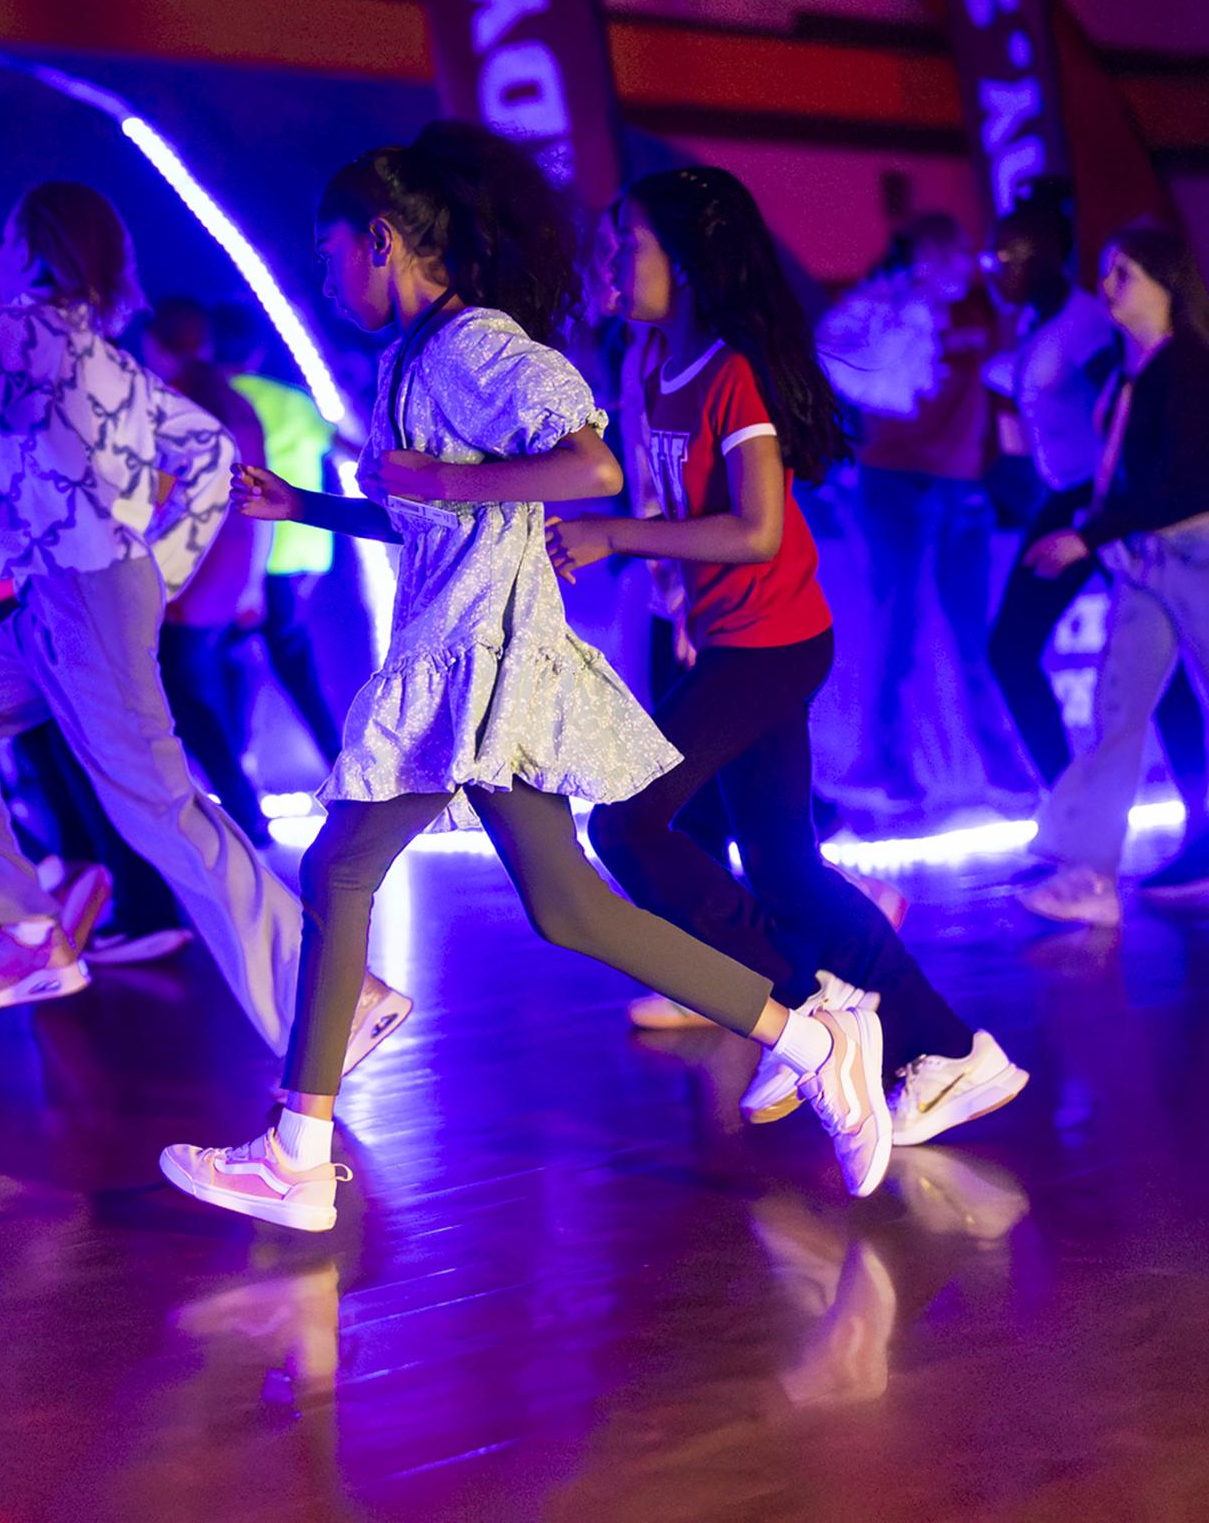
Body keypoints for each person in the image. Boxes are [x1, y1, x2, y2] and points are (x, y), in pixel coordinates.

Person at [159, 126, 898, 1237]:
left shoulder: (473, 347)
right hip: (466, 668)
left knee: (343, 870)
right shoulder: (411, 359)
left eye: (328, 257)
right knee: (563, 906)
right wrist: (301, 506)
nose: (324, 279)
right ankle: (809, 1035)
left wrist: (442, 473)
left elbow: (589, 465)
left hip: (483, 669)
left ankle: (299, 1150)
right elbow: (436, 517)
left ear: (383, 242)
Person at [0, 182, 410, 1062]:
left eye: (5, 237)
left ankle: (335, 991)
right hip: (66, 599)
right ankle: (27, 931)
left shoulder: (12, 329)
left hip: (81, 593)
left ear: (29, 251)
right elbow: (214, 454)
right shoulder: (103, 359)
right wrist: (157, 570)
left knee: (160, 807)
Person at [540, 166, 1026, 1149]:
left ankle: (801, 1009)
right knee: (785, 869)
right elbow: (683, 505)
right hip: (728, 638)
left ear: (684, 260)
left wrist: (617, 537)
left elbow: (759, 527)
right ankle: (948, 1050)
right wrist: (676, 597)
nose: (608, 260)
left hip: (772, 644)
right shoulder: (643, 362)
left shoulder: (730, 371)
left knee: (628, 826)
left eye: (626, 243)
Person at [982, 194, 1208, 878]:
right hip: (1084, 505)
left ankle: (1174, 832)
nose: (997, 272)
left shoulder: (1097, 332)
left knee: (1156, 679)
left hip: (1117, 509)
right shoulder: (1040, 326)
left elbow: (1144, 432)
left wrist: (1096, 525)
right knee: (1036, 659)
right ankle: (1074, 834)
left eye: (1009, 258)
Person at [817, 213, 1026, 808]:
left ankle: (1004, 766)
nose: (967, 261)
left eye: (966, 251)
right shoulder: (879, 305)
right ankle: (885, 765)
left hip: (965, 487)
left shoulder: (981, 307)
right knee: (898, 624)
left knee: (975, 633)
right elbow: (832, 357)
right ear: (924, 255)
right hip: (895, 485)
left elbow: (1001, 380)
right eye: (954, 251)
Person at [142, 297, 273, 845]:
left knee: (182, 693)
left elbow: (161, 497)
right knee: (194, 690)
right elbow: (261, 494)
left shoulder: (178, 404)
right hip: (231, 559)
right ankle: (239, 812)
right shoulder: (237, 405)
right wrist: (254, 580)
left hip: (190, 567)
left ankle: (236, 815)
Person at [223, 301, 347, 769]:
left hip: (249, 551)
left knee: (257, 654)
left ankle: (242, 763)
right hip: (307, 548)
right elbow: (343, 448)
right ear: (255, 350)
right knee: (279, 651)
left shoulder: (220, 397)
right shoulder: (293, 399)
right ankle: (328, 760)